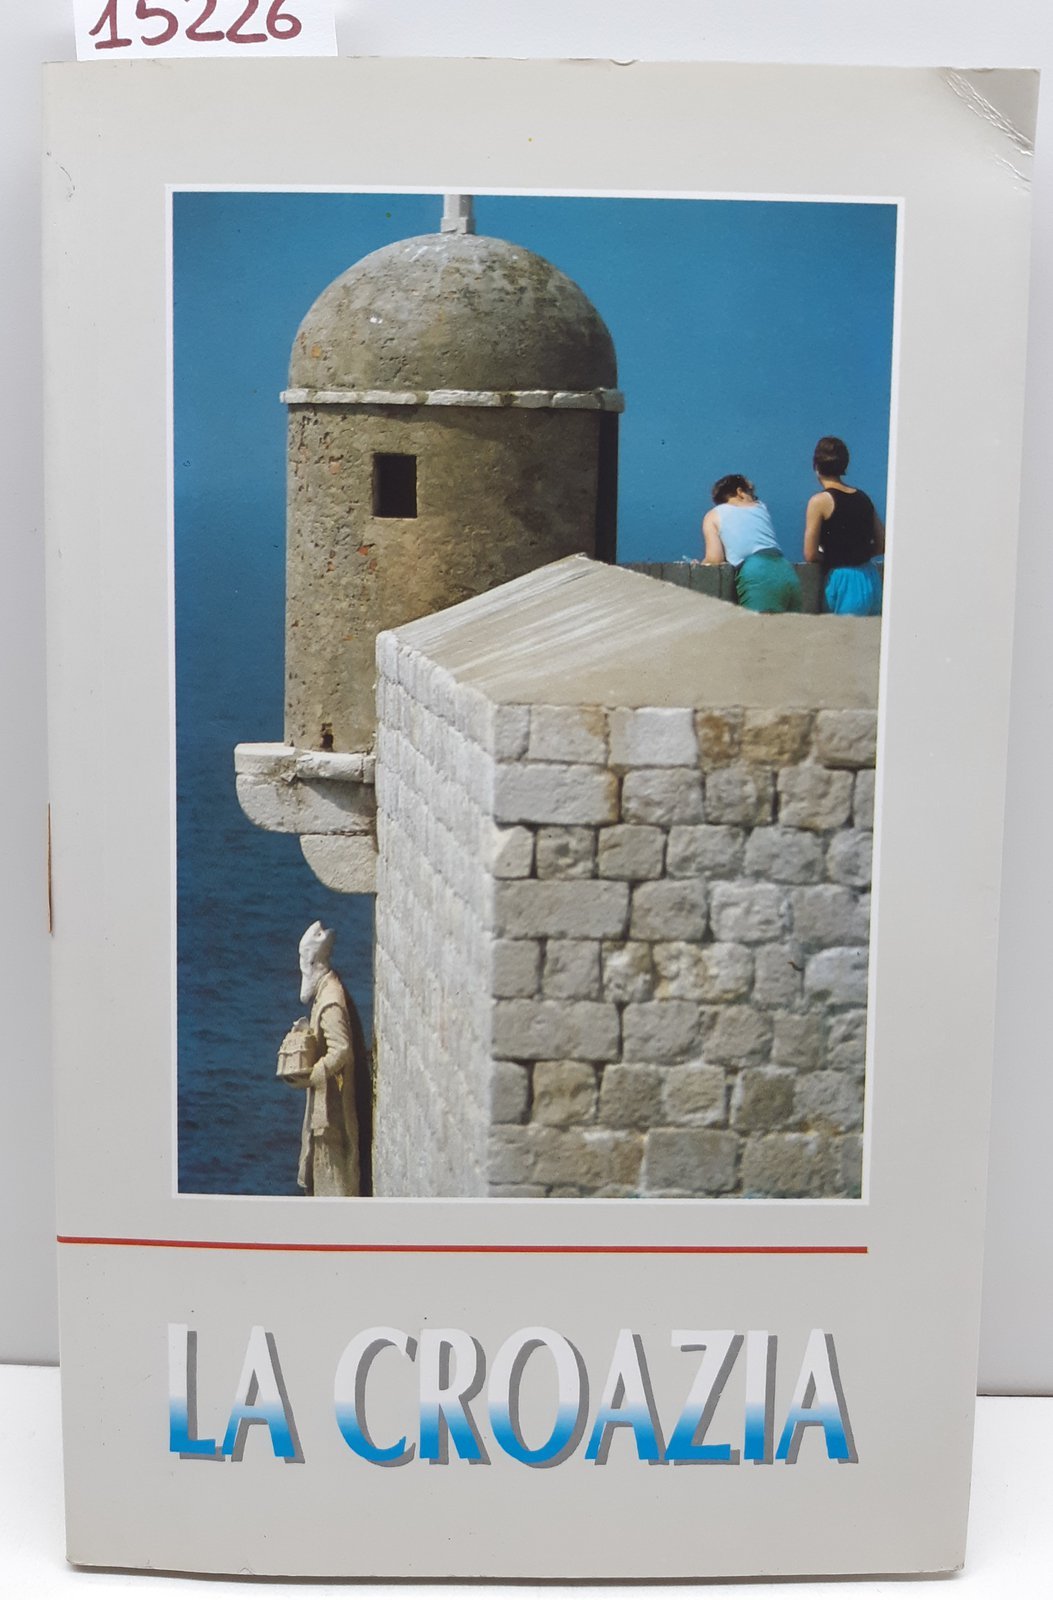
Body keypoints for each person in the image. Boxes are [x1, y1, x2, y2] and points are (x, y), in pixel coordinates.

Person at [276, 921, 364, 1196]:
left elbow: (341, 1049)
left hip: (330, 1113)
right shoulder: (325, 993)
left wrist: (312, 1075)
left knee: (332, 1179)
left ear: (313, 962)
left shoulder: (330, 1001)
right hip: (325, 1109)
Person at [804, 436, 885, 615]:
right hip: (870, 577)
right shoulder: (863, 498)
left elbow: (810, 553)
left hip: (843, 580)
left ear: (816, 467)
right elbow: (882, 544)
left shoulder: (819, 501)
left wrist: (836, 556)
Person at [701, 474, 803, 613]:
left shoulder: (713, 515)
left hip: (758, 573)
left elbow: (714, 559)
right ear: (739, 492)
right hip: (786, 569)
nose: (754, 498)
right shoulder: (761, 507)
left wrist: (702, 563)